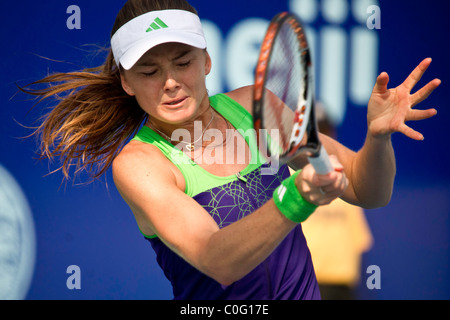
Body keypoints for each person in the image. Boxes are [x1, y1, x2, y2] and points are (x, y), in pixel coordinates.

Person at [22, 0, 440, 300]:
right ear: (127, 84)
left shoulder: (253, 107)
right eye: (149, 71)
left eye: (182, 62)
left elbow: (369, 191)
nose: (169, 82)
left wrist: (377, 137)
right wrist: (295, 198)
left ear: (206, 61)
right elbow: (216, 258)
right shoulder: (140, 164)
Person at [301, 105, 374, 300]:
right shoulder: (287, 180)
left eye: (323, 133)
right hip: (303, 283)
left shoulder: (347, 182)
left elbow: (360, 240)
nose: (319, 142)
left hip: (340, 285)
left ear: (332, 134)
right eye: (313, 134)